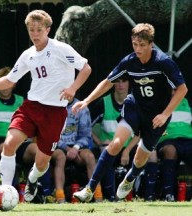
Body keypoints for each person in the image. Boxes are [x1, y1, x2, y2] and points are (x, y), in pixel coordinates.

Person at [0, 9, 91, 202]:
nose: (35, 34)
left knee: (43, 162)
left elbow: (86, 68)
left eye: (38, 29)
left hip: (55, 112)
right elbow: (10, 80)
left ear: (48, 29)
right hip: (31, 108)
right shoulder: (28, 55)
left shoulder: (60, 49)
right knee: (8, 145)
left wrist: (73, 88)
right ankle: (5, 192)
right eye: (31, 30)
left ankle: (33, 179)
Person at [72, 23, 187, 202]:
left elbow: (182, 89)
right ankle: (89, 189)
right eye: (135, 44)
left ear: (151, 44)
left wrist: (165, 114)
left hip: (157, 116)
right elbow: (108, 82)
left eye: (142, 45)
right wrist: (87, 100)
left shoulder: (163, 62)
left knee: (141, 159)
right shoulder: (129, 61)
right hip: (135, 108)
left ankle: (130, 178)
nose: (138, 49)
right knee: (116, 143)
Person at [90, 78, 140, 201]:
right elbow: (87, 126)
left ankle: (145, 195)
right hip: (109, 146)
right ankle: (111, 196)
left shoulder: (136, 103)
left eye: (124, 81)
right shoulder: (103, 102)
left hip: (129, 147)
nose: (120, 84)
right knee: (106, 153)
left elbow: (140, 133)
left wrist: (127, 151)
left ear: (129, 83)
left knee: (151, 155)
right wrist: (99, 142)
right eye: (117, 81)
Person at [144, 97, 192, 202]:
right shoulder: (159, 102)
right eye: (172, 89)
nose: (175, 92)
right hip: (167, 140)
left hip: (188, 140)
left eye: (177, 89)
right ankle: (168, 194)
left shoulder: (187, 102)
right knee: (170, 150)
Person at [51, 97, 95, 203]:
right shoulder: (52, 105)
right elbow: (51, 134)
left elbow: (86, 134)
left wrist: (76, 148)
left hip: (77, 147)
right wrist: (66, 148)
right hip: (57, 146)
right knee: (60, 157)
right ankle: (60, 197)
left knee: (90, 157)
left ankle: (96, 195)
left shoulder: (82, 107)